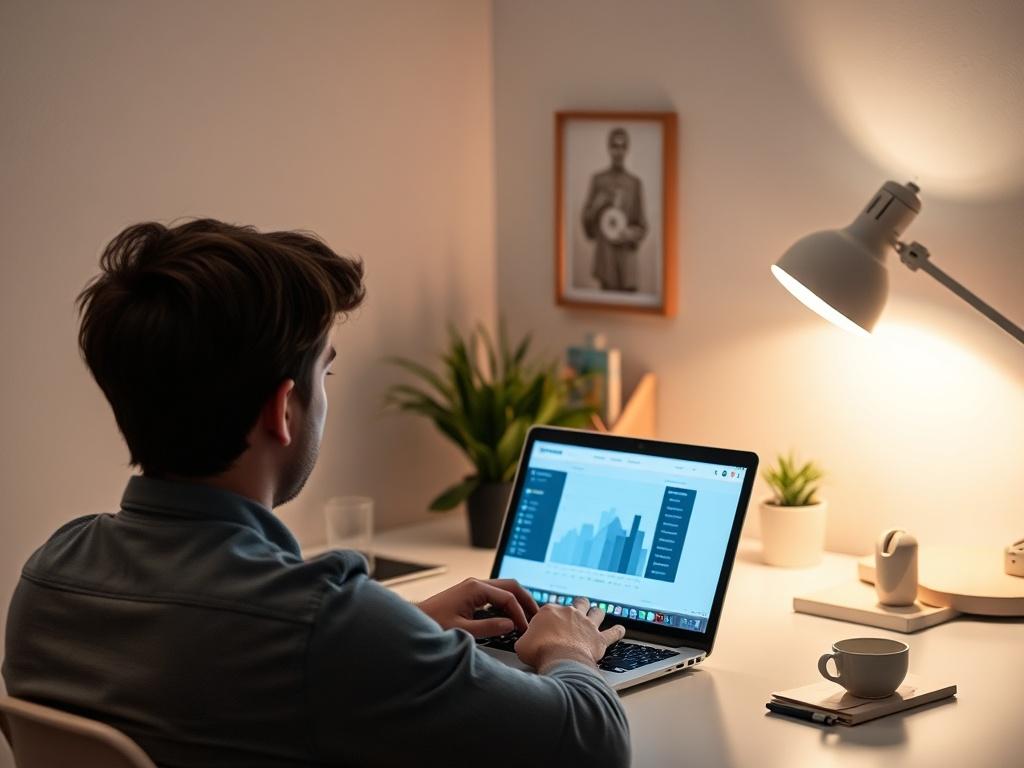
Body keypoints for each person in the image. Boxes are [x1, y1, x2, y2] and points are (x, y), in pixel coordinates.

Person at [2, 220, 630, 767]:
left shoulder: (51, 573)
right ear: (283, 410)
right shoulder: (323, 624)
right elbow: (592, 745)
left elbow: (215, 665)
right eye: (324, 372)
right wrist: (567, 647)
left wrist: (404, 628)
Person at [581, 127, 648, 291]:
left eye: (622, 146)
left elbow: (642, 226)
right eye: (614, 146)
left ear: (627, 149)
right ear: (609, 148)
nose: (618, 152)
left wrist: (631, 233)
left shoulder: (635, 183)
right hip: (606, 262)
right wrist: (596, 205)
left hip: (627, 261)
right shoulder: (598, 180)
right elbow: (587, 228)